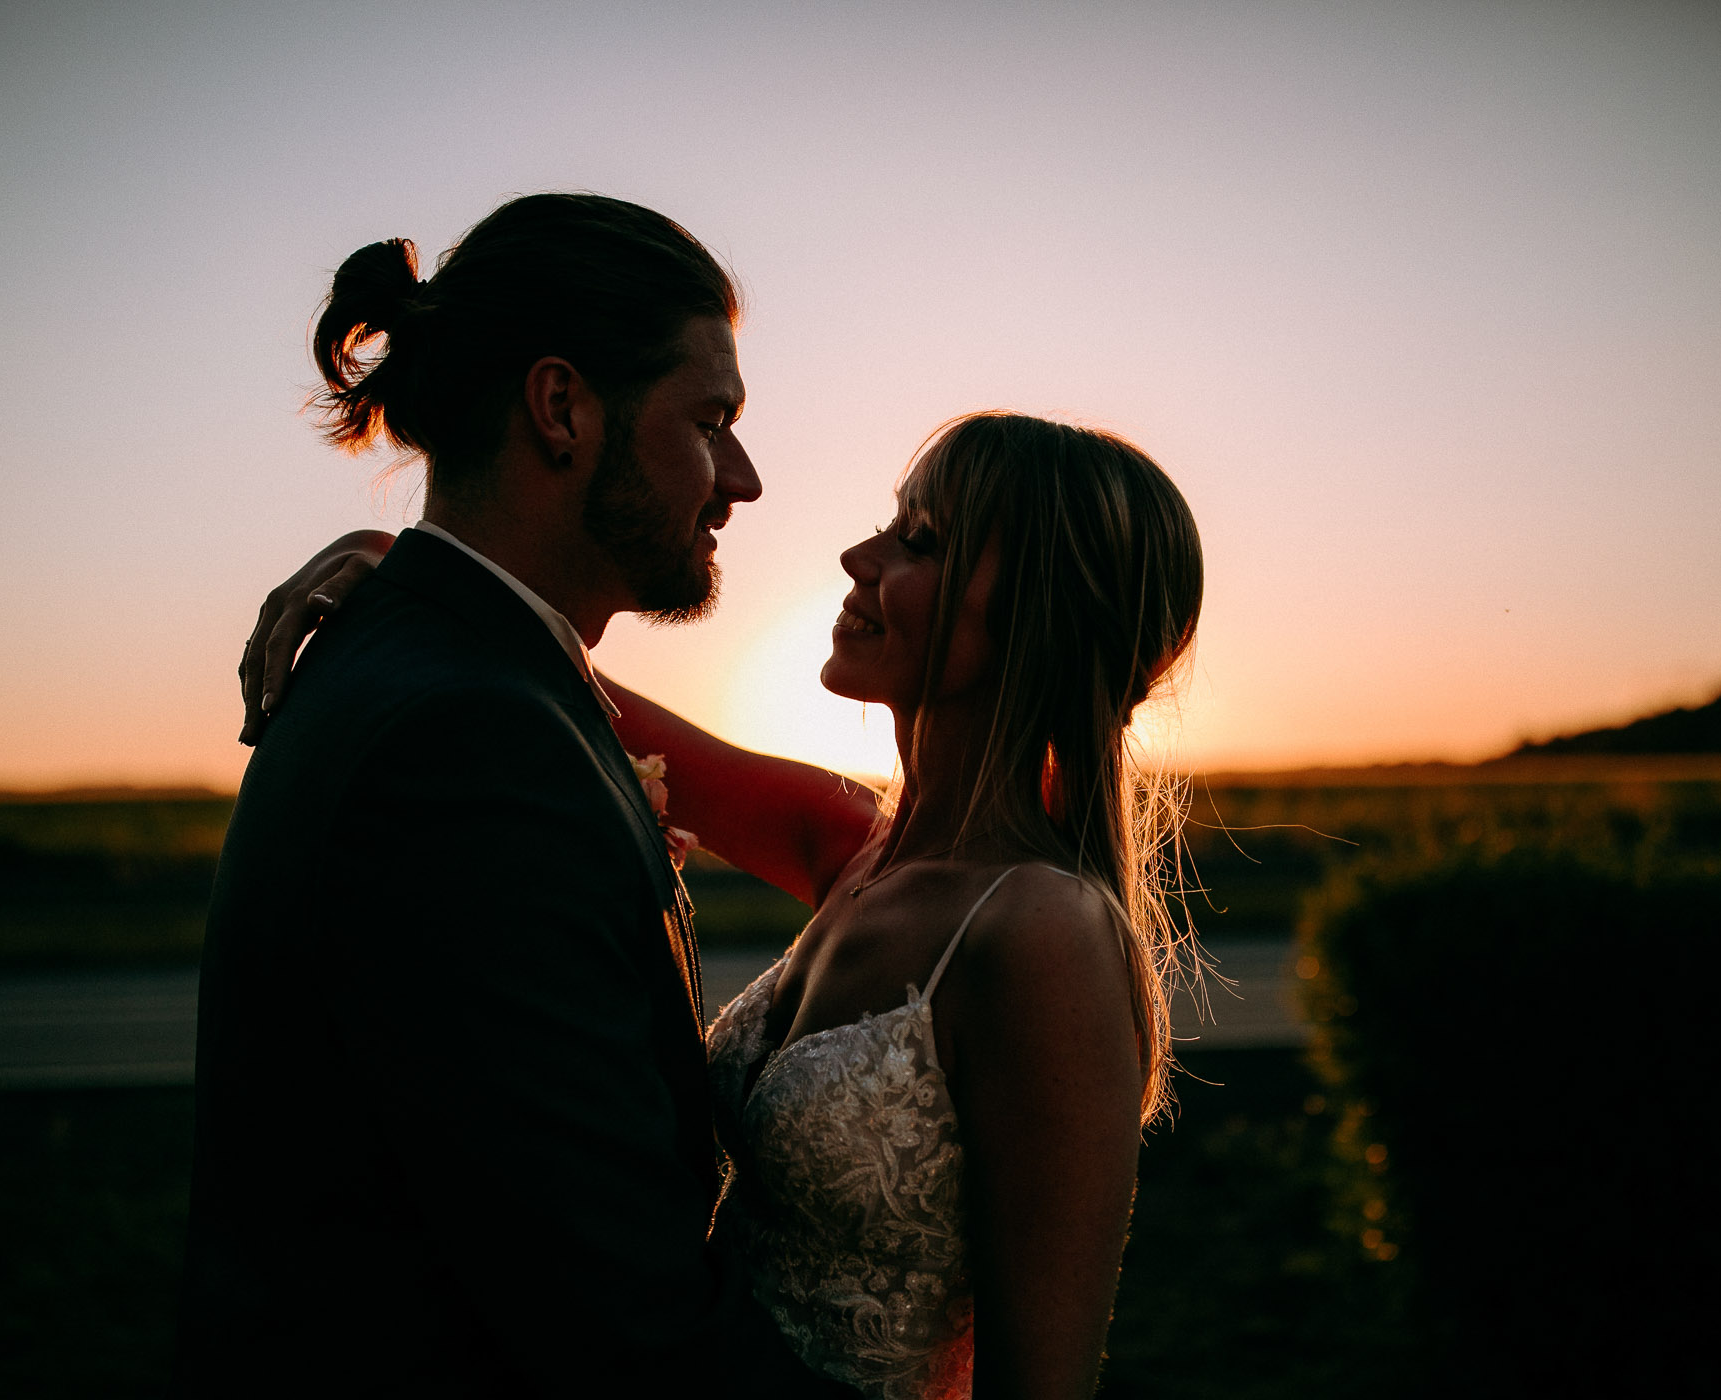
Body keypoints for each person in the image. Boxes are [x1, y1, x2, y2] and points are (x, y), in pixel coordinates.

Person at [249, 411, 1206, 1398]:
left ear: (1042, 613)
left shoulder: (1039, 933)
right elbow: (571, 696)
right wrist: (405, 569)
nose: (858, 555)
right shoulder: (859, 844)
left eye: (920, 539)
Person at [178, 192, 856, 1398]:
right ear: (562, 407)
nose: (742, 477)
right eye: (712, 419)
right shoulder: (469, 741)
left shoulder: (454, 672)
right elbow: (614, 1325)